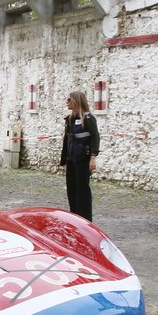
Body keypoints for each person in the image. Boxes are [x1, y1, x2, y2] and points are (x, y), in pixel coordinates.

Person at [59, 91, 99, 222]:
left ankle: (85, 220)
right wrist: (64, 159)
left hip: (83, 159)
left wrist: (93, 157)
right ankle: (74, 217)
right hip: (72, 159)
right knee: (71, 189)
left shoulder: (88, 118)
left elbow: (95, 137)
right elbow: (67, 140)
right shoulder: (70, 119)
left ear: (76, 101)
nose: (67, 102)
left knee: (82, 190)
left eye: (69, 99)